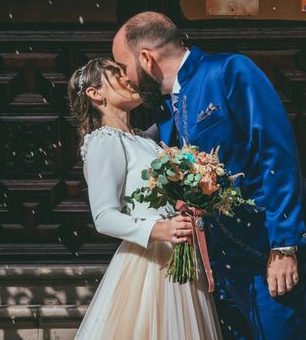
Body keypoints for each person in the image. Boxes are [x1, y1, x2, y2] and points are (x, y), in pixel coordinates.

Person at [112, 12, 306, 340]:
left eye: (123, 66)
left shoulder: (231, 71)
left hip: (267, 255)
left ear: (146, 58)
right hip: (217, 267)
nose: (125, 78)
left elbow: (277, 153)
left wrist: (285, 246)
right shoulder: (163, 111)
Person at [69, 57, 222, 340]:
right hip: (149, 265)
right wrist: (160, 229)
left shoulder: (144, 139)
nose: (128, 78)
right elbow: (104, 217)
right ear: (95, 93)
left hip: (180, 255)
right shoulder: (105, 141)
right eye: (117, 74)